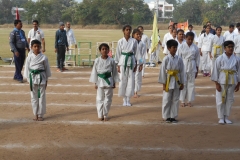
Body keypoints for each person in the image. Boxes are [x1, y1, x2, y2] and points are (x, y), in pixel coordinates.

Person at [211, 40, 240, 124]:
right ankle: (221, 117)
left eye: (232, 47)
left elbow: (239, 71)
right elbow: (215, 70)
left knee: (230, 99)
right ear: (225, 48)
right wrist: (216, 83)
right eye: (229, 47)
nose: (230, 48)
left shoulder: (237, 59)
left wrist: (238, 83)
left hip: (232, 80)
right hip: (222, 80)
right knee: (220, 99)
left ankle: (226, 116)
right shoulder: (219, 59)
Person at [89, 43, 119, 121]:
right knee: (99, 99)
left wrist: (114, 82)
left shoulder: (112, 61)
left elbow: (114, 72)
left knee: (108, 99)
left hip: (109, 81)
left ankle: (105, 114)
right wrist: (95, 82)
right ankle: (100, 114)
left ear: (108, 50)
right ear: (100, 51)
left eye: (106, 49)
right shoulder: (97, 60)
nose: (104, 50)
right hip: (100, 81)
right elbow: (94, 72)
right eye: (103, 49)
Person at [23, 40, 51, 121]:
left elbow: (47, 69)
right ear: (31, 47)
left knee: (41, 96)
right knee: (33, 97)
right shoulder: (29, 57)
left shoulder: (44, 57)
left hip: (41, 77)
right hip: (32, 78)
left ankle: (40, 114)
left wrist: (46, 81)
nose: (36, 48)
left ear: (40, 47)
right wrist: (28, 79)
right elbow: (27, 69)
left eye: (38, 46)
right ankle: (35, 113)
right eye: (34, 46)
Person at [158, 40, 185, 123]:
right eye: (173, 47)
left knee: (176, 99)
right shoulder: (166, 59)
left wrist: (182, 82)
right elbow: (162, 71)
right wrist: (163, 83)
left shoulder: (179, 59)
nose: (175, 49)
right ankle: (166, 116)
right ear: (169, 48)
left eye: (176, 47)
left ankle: (173, 116)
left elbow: (182, 71)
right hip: (168, 80)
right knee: (166, 99)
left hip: (177, 80)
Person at [114, 24, 137, 106]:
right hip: (123, 61)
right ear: (123, 31)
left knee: (131, 81)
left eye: (129, 29)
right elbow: (117, 53)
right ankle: (124, 99)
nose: (128, 31)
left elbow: (136, 53)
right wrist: (118, 65)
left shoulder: (134, 41)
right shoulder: (120, 41)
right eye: (126, 29)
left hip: (131, 61)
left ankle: (128, 99)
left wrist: (136, 64)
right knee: (123, 80)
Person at [177, 32, 200, 107]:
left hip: (192, 66)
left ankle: (189, 100)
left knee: (191, 84)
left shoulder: (195, 47)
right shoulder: (181, 47)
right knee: (183, 84)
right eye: (188, 39)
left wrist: (197, 68)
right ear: (185, 38)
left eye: (191, 39)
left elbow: (197, 58)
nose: (190, 40)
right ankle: (182, 100)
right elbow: (178, 58)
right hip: (183, 65)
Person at [132, 29, 145, 98]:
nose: (139, 36)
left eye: (140, 34)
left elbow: (142, 55)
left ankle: (135, 92)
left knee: (137, 77)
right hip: (130, 62)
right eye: (137, 34)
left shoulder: (142, 44)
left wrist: (141, 64)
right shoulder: (131, 42)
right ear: (133, 35)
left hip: (138, 63)